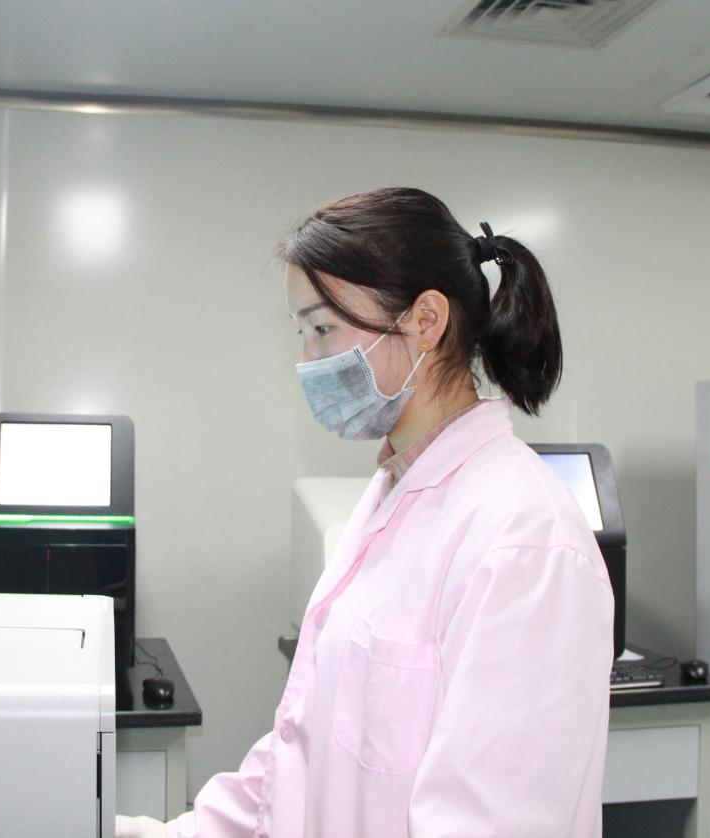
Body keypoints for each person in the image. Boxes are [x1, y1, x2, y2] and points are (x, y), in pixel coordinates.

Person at [118, 187, 613, 838]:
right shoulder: (391, 495)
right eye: (301, 333)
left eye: (323, 328)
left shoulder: (526, 543)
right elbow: (303, 759)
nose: (307, 363)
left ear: (426, 321)